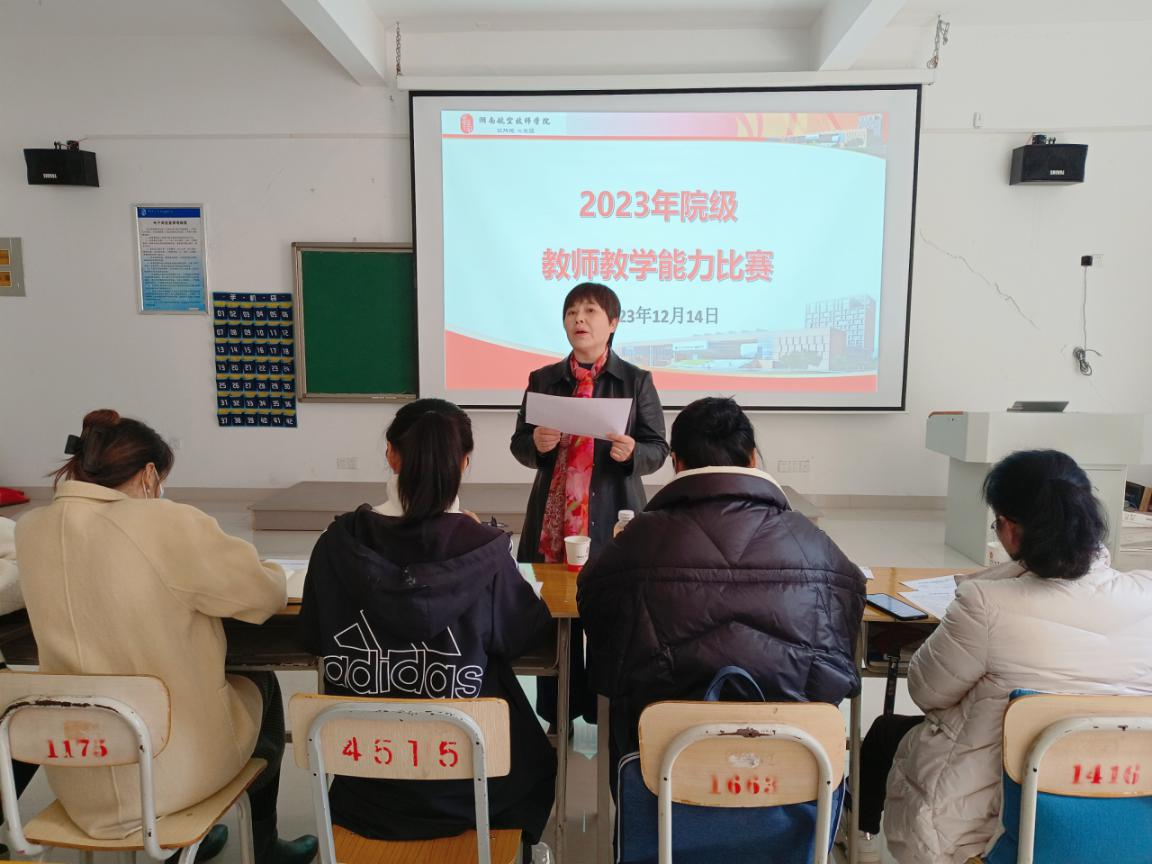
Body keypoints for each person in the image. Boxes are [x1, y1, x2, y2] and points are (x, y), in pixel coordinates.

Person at [14, 410, 316, 864]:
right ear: (150, 473)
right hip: (166, 771)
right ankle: (265, 847)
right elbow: (263, 595)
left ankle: (187, 838)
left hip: (77, 767)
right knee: (263, 685)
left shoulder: (32, 528)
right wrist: (271, 569)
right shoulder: (164, 521)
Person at [861, 449, 1152, 864]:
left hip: (994, 826)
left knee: (887, 732)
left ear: (1012, 530)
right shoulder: (1146, 593)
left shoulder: (985, 602)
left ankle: (860, 836)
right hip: (1129, 817)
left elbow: (926, 691)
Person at [298, 398, 555, 854]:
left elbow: (314, 636)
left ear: (391, 454)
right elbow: (525, 634)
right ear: (465, 462)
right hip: (478, 790)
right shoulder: (484, 552)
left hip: (366, 788)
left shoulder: (336, 544)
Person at [578, 396, 866, 774]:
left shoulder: (634, 541)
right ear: (753, 459)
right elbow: (845, 637)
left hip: (662, 773)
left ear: (676, 463)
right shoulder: (814, 546)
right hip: (794, 776)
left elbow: (597, 619)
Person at [511, 282, 669, 728]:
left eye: (590, 311)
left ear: (612, 323)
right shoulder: (543, 379)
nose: (579, 319)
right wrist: (537, 445)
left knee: (609, 617)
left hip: (612, 515)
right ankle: (558, 716)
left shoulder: (636, 380)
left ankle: (606, 715)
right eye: (571, 312)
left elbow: (658, 448)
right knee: (554, 618)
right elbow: (519, 444)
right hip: (553, 520)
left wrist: (633, 452)